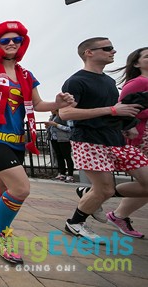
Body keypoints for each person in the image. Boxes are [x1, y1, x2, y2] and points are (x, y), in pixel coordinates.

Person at [0, 21, 74, 264]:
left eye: (16, 40)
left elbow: (39, 105)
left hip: (16, 141)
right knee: (21, 188)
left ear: (22, 44)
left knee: (0, 189)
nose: (11, 43)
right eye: (5, 40)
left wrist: (58, 104)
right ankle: (2, 235)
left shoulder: (26, 76)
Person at [60, 38, 148, 243]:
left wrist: (128, 125)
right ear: (89, 52)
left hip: (116, 139)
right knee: (105, 188)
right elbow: (65, 113)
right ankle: (75, 223)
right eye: (107, 48)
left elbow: (114, 112)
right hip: (89, 140)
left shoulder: (109, 82)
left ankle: (89, 193)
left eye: (112, 48)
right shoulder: (76, 81)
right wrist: (112, 109)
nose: (113, 51)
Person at [45, 110, 74, 182]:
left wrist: (56, 125)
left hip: (63, 139)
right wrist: (48, 126)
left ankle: (70, 175)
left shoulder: (65, 116)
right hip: (54, 139)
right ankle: (62, 173)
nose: (51, 110)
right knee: (59, 156)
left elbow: (69, 128)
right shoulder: (52, 117)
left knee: (67, 156)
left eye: (52, 109)